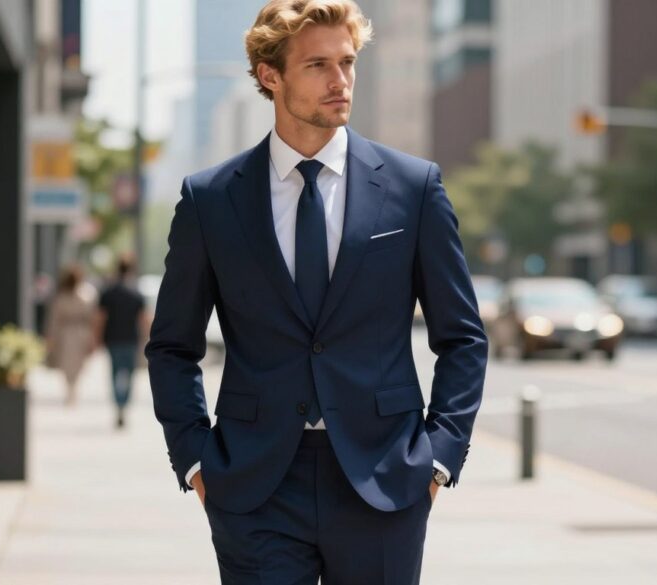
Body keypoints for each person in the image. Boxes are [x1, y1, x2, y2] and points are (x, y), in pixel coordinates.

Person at [144, 2, 487, 583]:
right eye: (319, 65)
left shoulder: (413, 187)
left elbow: (463, 339)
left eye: (348, 63)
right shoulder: (211, 200)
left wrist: (438, 460)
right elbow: (172, 347)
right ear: (269, 74)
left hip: (384, 481)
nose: (341, 82)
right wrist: (199, 462)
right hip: (255, 486)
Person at [94, 255, 150, 429]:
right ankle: (124, 403)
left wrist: (97, 338)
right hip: (131, 339)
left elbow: (100, 318)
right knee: (129, 373)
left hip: (113, 339)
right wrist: (148, 339)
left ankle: (118, 405)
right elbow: (144, 320)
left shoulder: (108, 293)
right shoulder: (137, 293)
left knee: (114, 372)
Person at [44, 264, 95, 406]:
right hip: (79, 332)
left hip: (68, 333)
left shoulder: (67, 295)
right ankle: (71, 389)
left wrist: (50, 337)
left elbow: (54, 319)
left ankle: (71, 388)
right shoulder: (86, 294)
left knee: (69, 363)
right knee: (74, 363)